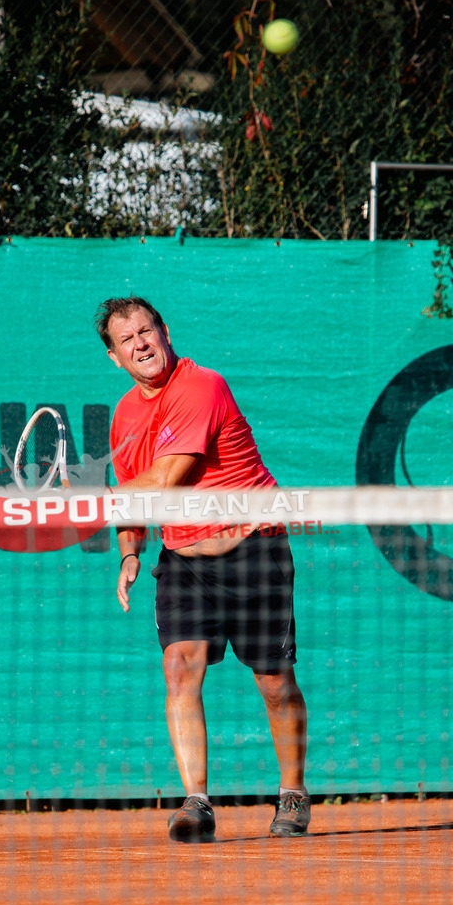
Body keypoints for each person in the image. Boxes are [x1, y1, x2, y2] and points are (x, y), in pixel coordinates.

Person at [96, 295, 310, 843]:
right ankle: (196, 802)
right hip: (184, 561)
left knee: (274, 683)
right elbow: (131, 499)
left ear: (166, 332)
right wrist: (129, 551)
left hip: (252, 548)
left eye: (147, 331)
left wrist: (82, 495)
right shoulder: (124, 415)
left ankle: (292, 793)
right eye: (128, 340)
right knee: (179, 669)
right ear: (115, 358)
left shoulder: (200, 385)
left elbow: (167, 479)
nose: (141, 343)